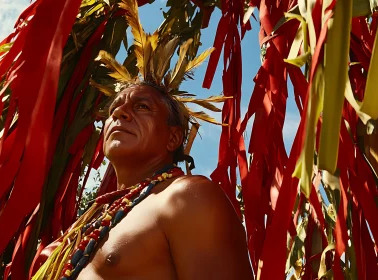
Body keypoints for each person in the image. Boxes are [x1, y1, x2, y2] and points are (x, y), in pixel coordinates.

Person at [33, 0, 253, 278]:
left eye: (142, 107)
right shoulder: (88, 223)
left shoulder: (187, 197)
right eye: (115, 108)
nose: (121, 113)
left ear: (174, 138)